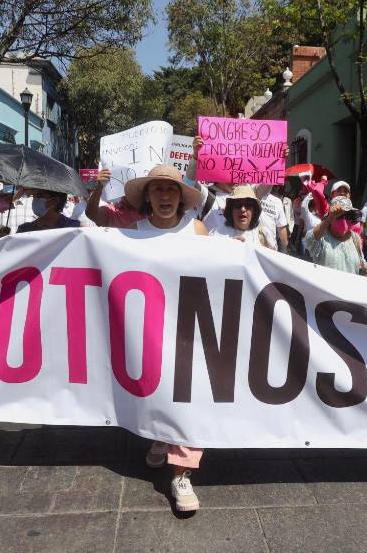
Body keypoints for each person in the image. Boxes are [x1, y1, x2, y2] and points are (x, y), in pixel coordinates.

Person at [120, 165, 207, 512]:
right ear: (147, 198)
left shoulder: (197, 230)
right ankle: (160, 435)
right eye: (157, 190)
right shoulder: (132, 233)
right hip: (149, 329)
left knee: (189, 396)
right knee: (156, 389)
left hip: (191, 329)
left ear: (182, 198)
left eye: (171, 190)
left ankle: (181, 474)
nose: (165, 196)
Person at [303, 196, 367, 276]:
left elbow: (362, 263)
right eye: (339, 216)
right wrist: (329, 219)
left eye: (348, 216)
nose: (344, 220)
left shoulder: (355, 238)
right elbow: (309, 240)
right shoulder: (322, 237)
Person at [209, 185, 274, 248]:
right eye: (238, 205)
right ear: (231, 210)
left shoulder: (264, 234)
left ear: (254, 211)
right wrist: (228, 247)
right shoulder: (217, 234)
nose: (243, 209)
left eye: (248, 205)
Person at [15, 189, 80, 233]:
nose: (35, 199)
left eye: (39, 196)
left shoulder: (74, 228)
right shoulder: (25, 230)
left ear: (54, 200)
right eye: (34, 196)